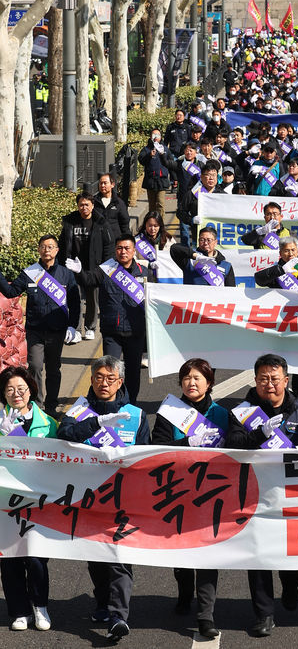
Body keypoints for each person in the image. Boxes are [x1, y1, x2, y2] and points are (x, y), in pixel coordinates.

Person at [225, 353, 298, 637]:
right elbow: (232, 444)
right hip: (255, 494)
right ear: (255, 380)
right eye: (263, 379)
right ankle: (264, 613)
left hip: (293, 493)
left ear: (286, 380)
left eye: (275, 378)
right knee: (258, 555)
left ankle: (291, 584)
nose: (269, 384)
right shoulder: (242, 411)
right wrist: (259, 434)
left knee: (291, 553)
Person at [57, 356, 150, 643]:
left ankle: (119, 615)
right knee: (95, 557)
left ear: (120, 382)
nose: (104, 383)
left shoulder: (136, 414)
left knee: (119, 557)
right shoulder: (81, 409)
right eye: (98, 377)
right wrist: (95, 423)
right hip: (87, 498)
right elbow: (64, 434)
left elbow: (146, 455)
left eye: (110, 378)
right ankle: (101, 602)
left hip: (122, 498)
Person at [151, 358, 229, 639]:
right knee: (182, 552)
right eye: (186, 378)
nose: (191, 383)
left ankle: (206, 615)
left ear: (209, 383)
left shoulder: (222, 414)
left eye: (197, 378)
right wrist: (188, 443)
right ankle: (185, 592)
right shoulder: (169, 411)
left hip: (213, 492)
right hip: (178, 490)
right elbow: (156, 447)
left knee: (208, 555)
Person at [0, 366, 57, 631]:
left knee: (36, 558)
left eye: (20, 388)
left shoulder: (48, 424)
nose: (16, 394)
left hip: (37, 503)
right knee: (9, 558)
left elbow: (59, 461)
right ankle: (19, 611)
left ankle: (40, 606)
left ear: (30, 390)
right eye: (9, 389)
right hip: (5, 503)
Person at [0, 235, 80, 414]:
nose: (47, 250)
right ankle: (38, 404)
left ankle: (52, 405)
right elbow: (11, 291)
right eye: (43, 246)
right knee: (35, 366)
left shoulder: (66, 274)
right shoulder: (31, 272)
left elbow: (74, 302)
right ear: (38, 250)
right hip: (35, 330)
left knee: (53, 368)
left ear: (57, 250)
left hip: (57, 330)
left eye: (51, 246)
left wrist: (72, 326)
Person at [66, 236, 148, 403]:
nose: (123, 251)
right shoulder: (106, 269)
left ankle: (131, 403)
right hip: (112, 332)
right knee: (110, 371)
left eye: (126, 248)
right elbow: (88, 280)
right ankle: (111, 403)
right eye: (119, 248)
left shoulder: (144, 272)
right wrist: (79, 273)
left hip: (136, 331)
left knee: (133, 372)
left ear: (133, 251)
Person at [59, 191, 113, 341]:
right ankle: (75, 329)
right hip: (72, 267)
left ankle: (90, 327)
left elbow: (109, 247)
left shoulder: (101, 223)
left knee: (92, 299)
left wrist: (105, 267)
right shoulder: (70, 222)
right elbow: (63, 245)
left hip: (93, 268)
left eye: (87, 205)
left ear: (92, 205)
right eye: (81, 205)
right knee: (74, 299)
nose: (84, 208)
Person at [170, 227, 236, 287]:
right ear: (198, 241)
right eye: (202, 240)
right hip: (193, 299)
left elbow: (230, 292)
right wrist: (196, 256)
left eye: (209, 240)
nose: (205, 243)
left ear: (215, 242)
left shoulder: (226, 266)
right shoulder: (189, 261)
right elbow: (174, 248)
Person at [177, 162, 224, 244]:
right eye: (208, 175)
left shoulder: (223, 195)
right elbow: (180, 212)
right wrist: (191, 220)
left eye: (214, 175)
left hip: (219, 239)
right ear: (201, 177)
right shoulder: (192, 193)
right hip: (199, 238)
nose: (211, 178)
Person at [138, 129, 171, 217]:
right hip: (150, 180)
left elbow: (170, 163)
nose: (156, 137)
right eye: (154, 135)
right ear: (150, 137)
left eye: (158, 135)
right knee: (152, 206)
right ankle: (151, 224)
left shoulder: (165, 149)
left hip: (161, 180)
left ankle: (161, 226)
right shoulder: (146, 149)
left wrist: (174, 178)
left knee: (160, 204)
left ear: (161, 137)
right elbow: (141, 160)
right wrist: (149, 155)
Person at [134, 211, 175, 281]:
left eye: (155, 226)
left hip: (164, 277)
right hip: (144, 276)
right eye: (150, 225)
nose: (152, 229)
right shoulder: (137, 240)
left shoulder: (169, 239)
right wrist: (148, 264)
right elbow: (132, 259)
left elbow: (174, 258)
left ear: (160, 226)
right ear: (145, 225)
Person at [93, 173, 130, 242]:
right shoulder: (94, 201)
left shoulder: (118, 202)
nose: (102, 185)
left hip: (115, 240)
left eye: (105, 183)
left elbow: (124, 224)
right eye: (101, 183)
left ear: (112, 184)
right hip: (98, 240)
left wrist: (127, 240)